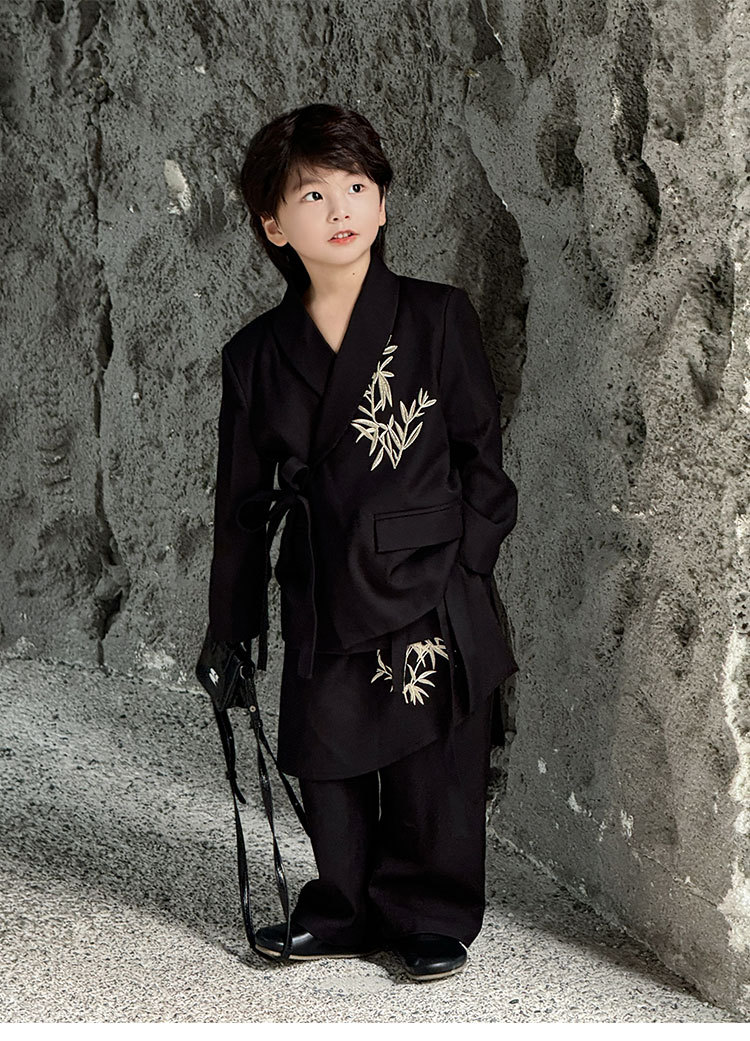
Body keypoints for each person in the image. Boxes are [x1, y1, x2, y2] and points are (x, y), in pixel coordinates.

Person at [206, 102, 519, 982]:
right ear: (274, 223)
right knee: (331, 751)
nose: (339, 207)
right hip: (324, 580)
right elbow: (241, 506)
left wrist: (468, 567)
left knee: (433, 760)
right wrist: (229, 628)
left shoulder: (436, 317)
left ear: (382, 204)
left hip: (431, 576)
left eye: (355, 185)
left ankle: (431, 914)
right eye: (312, 193)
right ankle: (342, 907)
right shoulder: (256, 356)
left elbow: (483, 461)